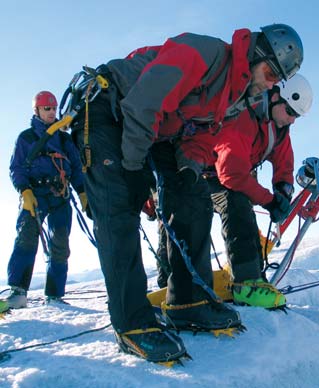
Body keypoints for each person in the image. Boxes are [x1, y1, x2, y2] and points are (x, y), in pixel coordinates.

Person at [68, 24, 303, 363]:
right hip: (111, 106)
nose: (271, 85)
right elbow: (145, 101)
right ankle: (132, 322)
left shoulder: (235, 97)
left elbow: (203, 137)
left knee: (193, 196)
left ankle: (187, 301)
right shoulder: (204, 53)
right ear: (255, 56)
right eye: (269, 73)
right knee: (121, 204)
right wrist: (134, 167)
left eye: (276, 81)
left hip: (162, 130)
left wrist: (189, 170)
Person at [157, 74, 312, 309]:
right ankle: (176, 282)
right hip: (200, 173)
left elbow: (284, 162)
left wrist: (283, 192)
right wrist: (269, 201)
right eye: (290, 113)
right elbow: (231, 174)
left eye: (297, 116)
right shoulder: (243, 118)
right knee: (230, 202)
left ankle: (251, 278)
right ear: (276, 97)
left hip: (225, 176)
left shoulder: (277, 128)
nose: (292, 120)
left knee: (239, 204)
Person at [3, 91, 87, 310]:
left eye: (53, 108)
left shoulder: (64, 139)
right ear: (37, 110)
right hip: (35, 195)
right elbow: (17, 168)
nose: (52, 112)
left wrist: (82, 192)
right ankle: (18, 291)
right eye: (47, 109)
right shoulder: (27, 138)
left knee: (60, 242)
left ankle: (55, 294)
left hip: (60, 196)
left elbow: (77, 168)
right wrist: (24, 191)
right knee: (26, 237)